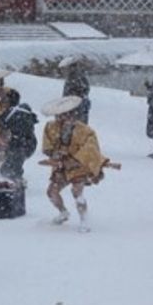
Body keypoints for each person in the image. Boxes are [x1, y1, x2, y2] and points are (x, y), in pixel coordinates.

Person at [41, 96, 116, 233]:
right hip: (61, 166)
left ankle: (84, 220)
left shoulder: (85, 130)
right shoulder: (50, 127)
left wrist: (74, 159)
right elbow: (48, 147)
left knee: (77, 192)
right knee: (51, 192)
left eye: (66, 115)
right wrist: (55, 155)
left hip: (78, 165)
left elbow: (90, 148)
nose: (63, 118)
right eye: (60, 115)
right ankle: (63, 212)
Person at [0, 89, 38, 185]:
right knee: (9, 166)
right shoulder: (24, 110)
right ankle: (15, 179)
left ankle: (18, 182)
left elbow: (0, 124)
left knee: (9, 168)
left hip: (19, 144)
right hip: (29, 143)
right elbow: (34, 120)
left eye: (5, 100)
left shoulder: (10, 114)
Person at [60, 55, 91, 124]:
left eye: (64, 69)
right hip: (79, 107)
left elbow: (83, 90)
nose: (63, 71)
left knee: (78, 128)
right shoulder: (77, 76)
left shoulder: (74, 78)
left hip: (76, 108)